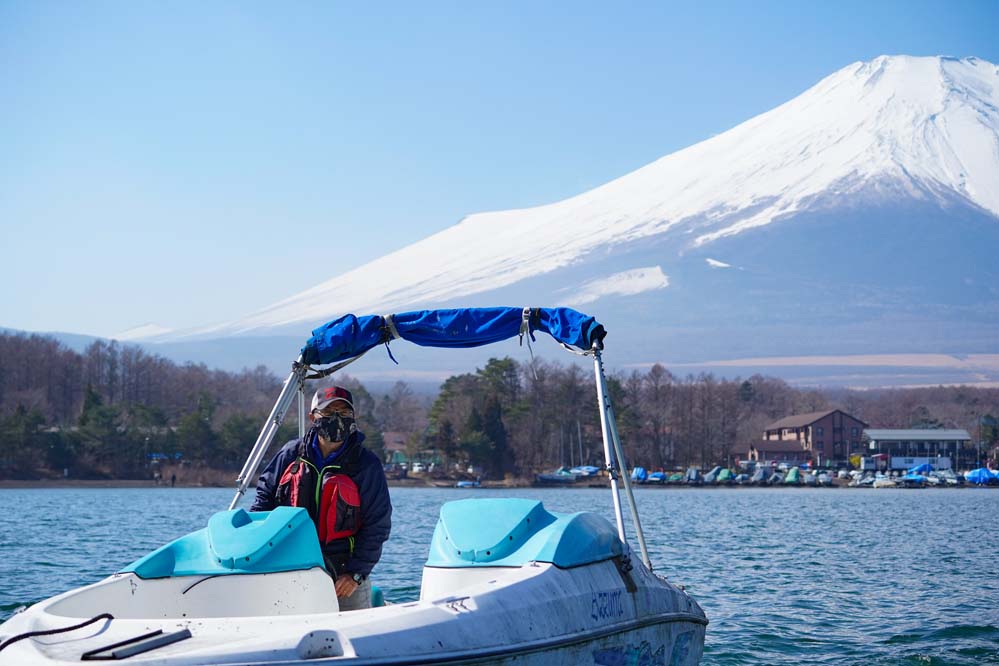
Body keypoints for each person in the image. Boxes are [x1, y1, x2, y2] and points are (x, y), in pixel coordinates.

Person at [250, 386, 392, 611]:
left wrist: (355, 573)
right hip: (289, 567)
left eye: (344, 413)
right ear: (312, 417)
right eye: (328, 413)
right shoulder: (290, 454)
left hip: (344, 575)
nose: (337, 419)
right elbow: (262, 504)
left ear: (353, 418)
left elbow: (378, 524)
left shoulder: (366, 464)